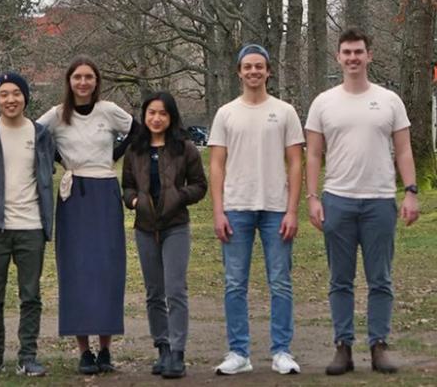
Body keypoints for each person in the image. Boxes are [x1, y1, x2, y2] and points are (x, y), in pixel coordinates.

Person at [305, 28, 419, 376]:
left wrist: (411, 191)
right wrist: (312, 198)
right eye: (346, 52)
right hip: (337, 200)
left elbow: (403, 149)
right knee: (340, 280)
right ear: (338, 57)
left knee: (380, 278)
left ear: (370, 55)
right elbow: (313, 154)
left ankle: (379, 345)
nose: (352, 58)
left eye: (358, 52)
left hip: (380, 202)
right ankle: (343, 346)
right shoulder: (323, 102)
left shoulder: (389, 100)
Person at [209, 44, 304, 376]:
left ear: (268, 71)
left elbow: (295, 163)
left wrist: (293, 211)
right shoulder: (226, 113)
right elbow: (217, 166)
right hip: (236, 208)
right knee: (235, 283)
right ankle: (239, 352)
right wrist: (218, 211)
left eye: (259, 66)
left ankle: (281, 351)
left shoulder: (286, 112)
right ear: (239, 72)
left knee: (280, 283)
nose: (253, 72)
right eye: (247, 67)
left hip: (276, 209)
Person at [36, 55, 133, 374]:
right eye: (77, 76)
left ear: (96, 81)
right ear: (69, 81)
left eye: (89, 76)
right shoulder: (55, 115)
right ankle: (83, 351)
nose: (83, 82)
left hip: (105, 192)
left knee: (107, 269)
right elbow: (33, 136)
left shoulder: (109, 111)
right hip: (74, 196)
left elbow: (138, 130)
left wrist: (114, 156)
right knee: (76, 271)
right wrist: (57, 159)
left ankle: (105, 349)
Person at [0, 72, 55, 377]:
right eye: (4, 94)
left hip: (31, 226)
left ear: (25, 97)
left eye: (16, 93)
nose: (11, 99)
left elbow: (47, 172)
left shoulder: (41, 134)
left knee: (30, 294)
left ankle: (28, 356)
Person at [121, 92, 207, 379]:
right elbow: (128, 187)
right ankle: (163, 349)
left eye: (163, 113)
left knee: (175, 289)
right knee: (154, 292)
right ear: (144, 116)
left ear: (171, 117)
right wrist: (134, 201)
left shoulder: (185, 148)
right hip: (145, 228)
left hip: (176, 226)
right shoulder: (135, 149)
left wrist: (178, 197)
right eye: (151, 113)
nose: (156, 118)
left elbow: (199, 185)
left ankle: (178, 352)